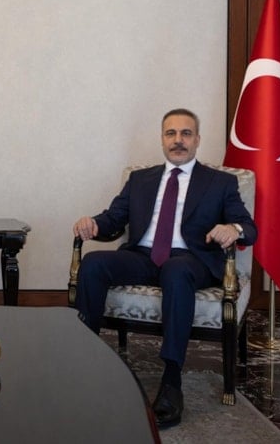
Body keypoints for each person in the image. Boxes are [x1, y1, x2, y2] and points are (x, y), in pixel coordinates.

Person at [72, 108, 256, 428]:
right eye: (171, 133)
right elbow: (113, 218)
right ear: (162, 139)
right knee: (94, 263)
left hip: (192, 260)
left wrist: (233, 229)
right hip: (143, 256)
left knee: (176, 270)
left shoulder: (220, 182)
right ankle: (85, 362)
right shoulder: (140, 179)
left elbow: (248, 227)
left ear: (197, 139)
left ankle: (171, 380)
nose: (178, 140)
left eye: (186, 133)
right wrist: (93, 223)